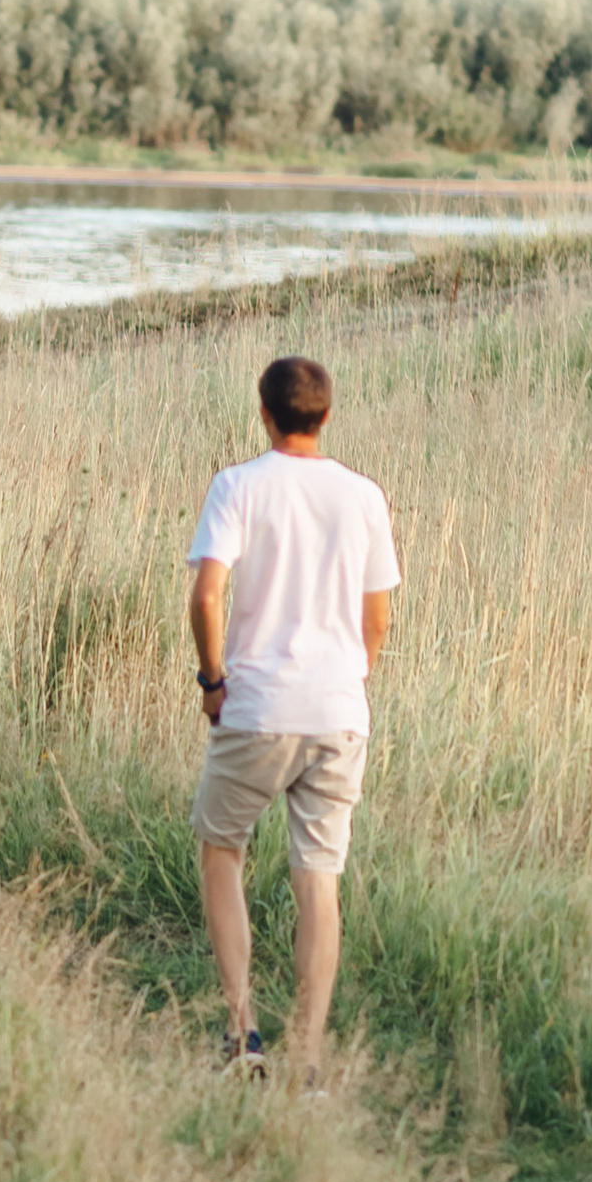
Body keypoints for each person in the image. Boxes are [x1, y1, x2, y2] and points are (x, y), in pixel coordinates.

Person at [185, 355, 399, 1079]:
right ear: (327, 416)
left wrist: (214, 682)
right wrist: (351, 674)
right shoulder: (363, 496)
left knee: (222, 849)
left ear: (264, 413)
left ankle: (243, 1031)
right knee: (319, 878)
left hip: (258, 708)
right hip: (339, 710)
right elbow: (379, 616)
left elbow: (207, 596)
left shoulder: (239, 486)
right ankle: (308, 1054)